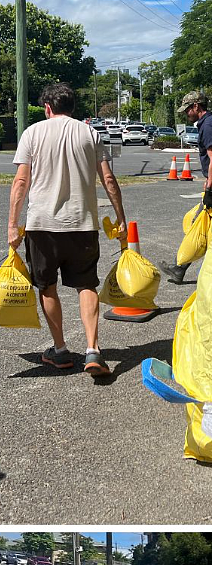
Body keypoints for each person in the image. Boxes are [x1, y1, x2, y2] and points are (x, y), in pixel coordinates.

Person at [6, 82, 126, 377]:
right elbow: (109, 179)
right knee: (87, 284)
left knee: (47, 286)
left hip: (42, 226)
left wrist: (12, 224)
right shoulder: (90, 133)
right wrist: (121, 216)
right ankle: (93, 350)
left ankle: (60, 351)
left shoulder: (32, 133)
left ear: (47, 107)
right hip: (82, 224)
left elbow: (21, 182)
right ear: (72, 107)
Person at [163, 92, 212, 283]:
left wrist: (209, 190)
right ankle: (180, 267)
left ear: (196, 106)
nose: (187, 113)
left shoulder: (210, 126)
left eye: (188, 109)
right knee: (199, 224)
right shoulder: (208, 124)